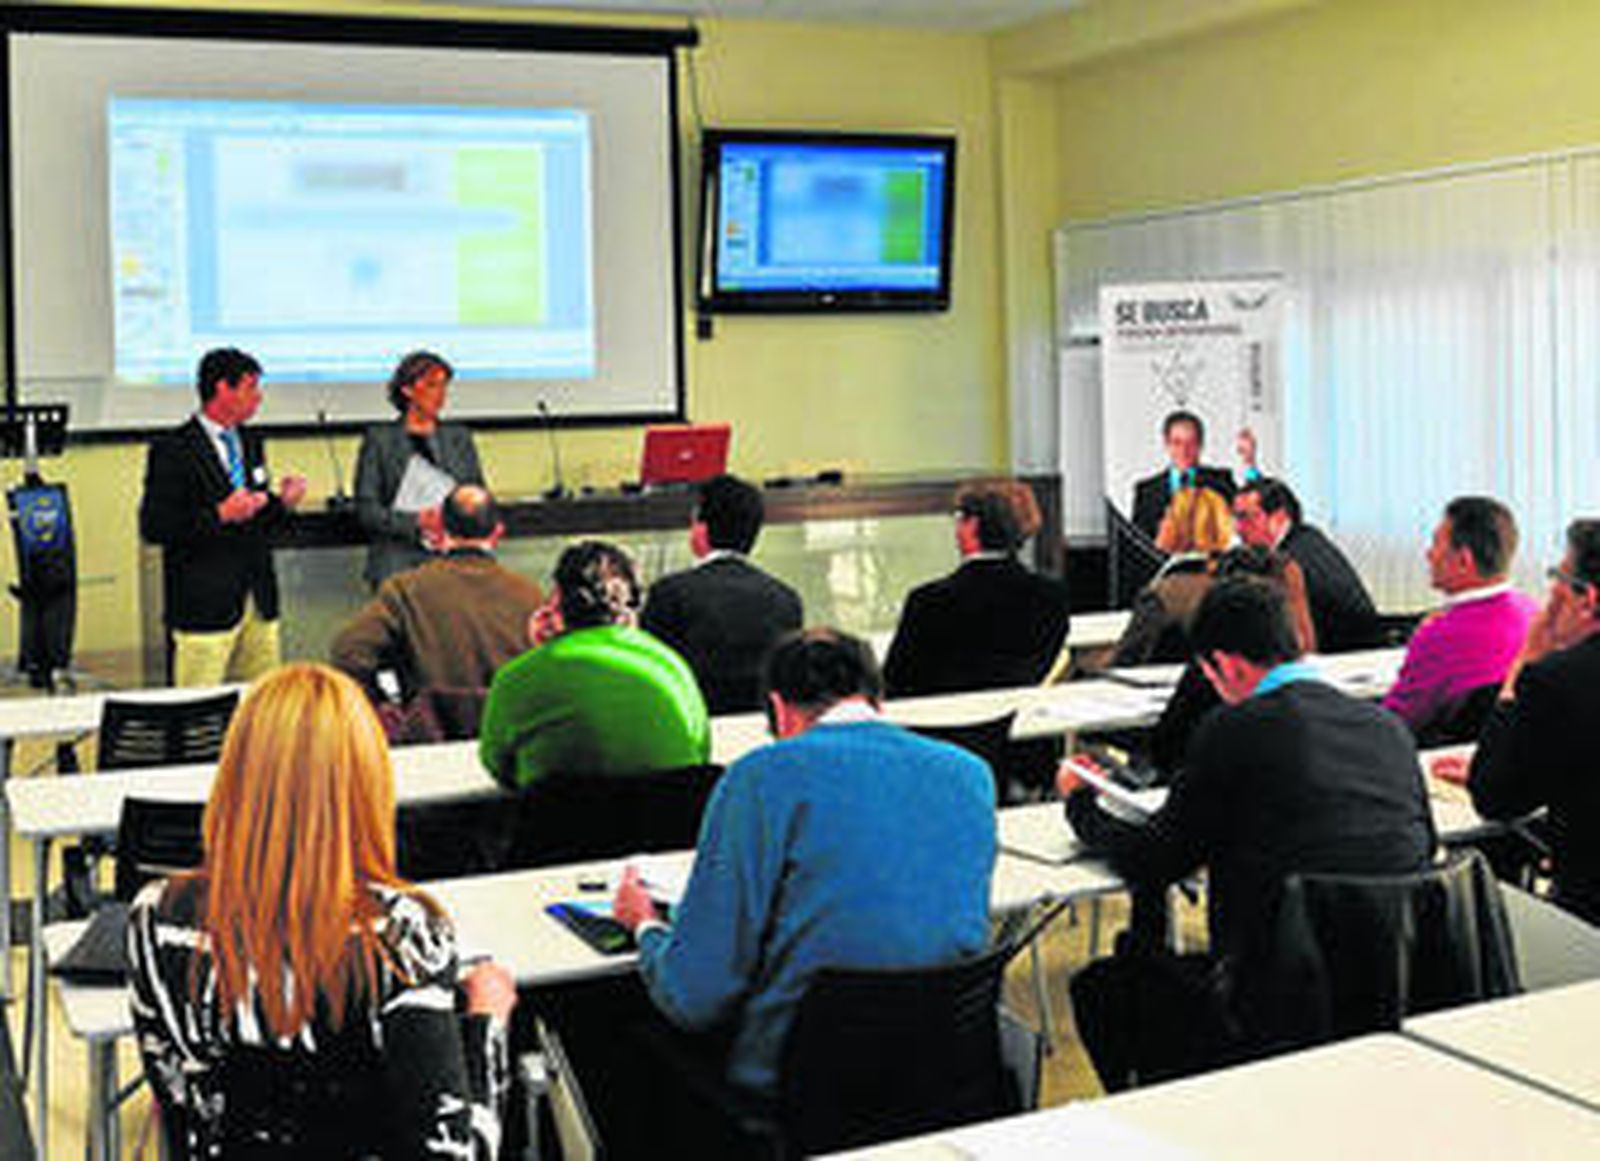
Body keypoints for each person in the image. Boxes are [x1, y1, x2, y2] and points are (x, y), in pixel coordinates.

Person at [127, 664, 515, 1158]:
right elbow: (456, 1153)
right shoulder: (401, 937)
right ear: (368, 780)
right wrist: (487, 1020)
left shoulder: (154, 916)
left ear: (236, 774)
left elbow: (176, 1099)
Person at [1063, 578, 1433, 1085]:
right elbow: (1425, 847)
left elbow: (1154, 860)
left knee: (1101, 990)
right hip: (1394, 995)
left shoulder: (1232, 730)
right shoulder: (1386, 727)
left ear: (1227, 665)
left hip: (1271, 1011)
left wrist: (1081, 804)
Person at [612, 628, 995, 1100]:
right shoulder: (970, 773)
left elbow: (695, 997)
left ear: (778, 709)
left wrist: (646, 926)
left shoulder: (760, 778)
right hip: (942, 1064)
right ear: (877, 698)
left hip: (798, 1078)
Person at [479, 540, 710, 788]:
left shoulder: (517, 678)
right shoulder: (671, 666)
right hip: (670, 813)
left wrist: (541, 652)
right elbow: (700, 752)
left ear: (557, 602)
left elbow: (497, 767)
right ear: (630, 608)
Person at [139, 348, 307, 687]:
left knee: (262, 702)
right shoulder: (174, 448)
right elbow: (155, 526)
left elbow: (254, 513)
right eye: (250, 387)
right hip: (204, 605)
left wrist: (282, 503)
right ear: (222, 389)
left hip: (257, 601)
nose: (258, 397)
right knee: (199, 704)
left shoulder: (251, 441)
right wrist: (219, 514)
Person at [1469, 519, 1600, 924]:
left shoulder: (1556, 680)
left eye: (1557, 577)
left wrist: (1524, 663)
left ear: (1588, 599)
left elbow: (1494, 798)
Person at [331, 484, 544, 703]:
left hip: (430, 722)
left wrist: (386, 705)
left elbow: (348, 652)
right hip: (510, 721)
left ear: (440, 529)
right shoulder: (529, 595)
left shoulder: (404, 591)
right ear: (498, 532)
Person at [883, 479, 1071, 696]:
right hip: (1013, 715)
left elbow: (896, 681)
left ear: (971, 525)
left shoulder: (928, 602)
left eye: (958, 519)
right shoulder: (1051, 597)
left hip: (940, 716)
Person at [641, 474, 803, 713]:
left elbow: (654, 678)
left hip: (695, 725)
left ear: (701, 529)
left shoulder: (669, 595)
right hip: (761, 726)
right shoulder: (787, 600)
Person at [1382, 497, 1537, 741]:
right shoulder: (1532, 612)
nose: (1428, 554)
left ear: (1464, 561)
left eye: (1436, 543)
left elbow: (1394, 723)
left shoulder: (1440, 636)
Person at [354, 351, 485, 587]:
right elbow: (367, 510)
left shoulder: (458, 437)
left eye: (444, 386)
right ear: (407, 389)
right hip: (397, 565)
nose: (441, 394)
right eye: (432, 385)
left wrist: (459, 518)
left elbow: (478, 496)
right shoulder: (380, 440)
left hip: (452, 562)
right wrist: (417, 521)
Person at [1234, 477, 1382, 652]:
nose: (1238, 529)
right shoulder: (1307, 538)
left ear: (1279, 518)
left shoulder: (1289, 561)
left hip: (1341, 656)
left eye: (1245, 518)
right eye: (1235, 518)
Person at [1109, 486, 1237, 667]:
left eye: (1166, 516)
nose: (1160, 523)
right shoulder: (1234, 583)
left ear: (1181, 527)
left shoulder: (1163, 593)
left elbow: (1127, 659)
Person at [1130, 411, 1255, 540]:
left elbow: (1251, 508)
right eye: (1177, 442)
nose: (1184, 450)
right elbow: (1137, 543)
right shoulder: (1146, 491)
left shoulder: (1220, 481)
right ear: (1167, 444)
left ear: (1201, 444)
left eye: (1191, 443)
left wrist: (1249, 462)